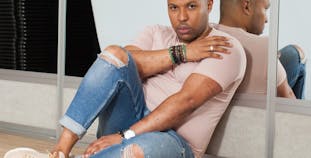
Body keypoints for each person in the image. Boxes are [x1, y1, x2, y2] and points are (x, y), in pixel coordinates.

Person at [4, 0, 246, 158]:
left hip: (175, 141)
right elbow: (124, 63)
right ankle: (59, 152)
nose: (181, 17)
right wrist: (181, 53)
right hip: (129, 117)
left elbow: (186, 101)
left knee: (136, 151)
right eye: (174, 7)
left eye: (191, 6)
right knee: (114, 54)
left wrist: (125, 135)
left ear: (209, 4)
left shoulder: (224, 47)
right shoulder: (155, 32)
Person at [214, 0, 306, 99]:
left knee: (293, 52)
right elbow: (289, 97)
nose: (266, 19)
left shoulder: (206, 35)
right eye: (265, 9)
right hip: (260, 109)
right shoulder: (263, 47)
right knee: (295, 55)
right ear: (247, 6)